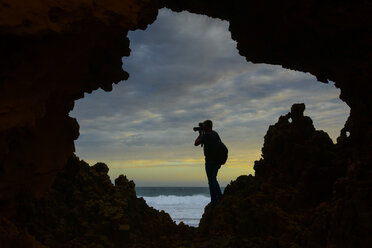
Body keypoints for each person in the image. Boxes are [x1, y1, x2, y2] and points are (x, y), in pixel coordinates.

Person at [194, 120, 223, 205]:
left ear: (207, 126)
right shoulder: (215, 133)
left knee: (211, 181)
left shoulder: (207, 135)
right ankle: (220, 196)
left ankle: (214, 201)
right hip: (218, 161)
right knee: (214, 179)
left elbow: (196, 143)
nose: (202, 127)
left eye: (203, 126)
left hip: (210, 161)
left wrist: (200, 134)